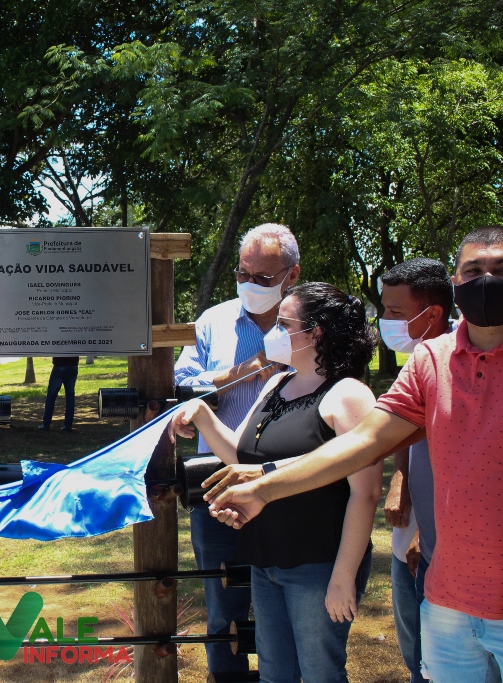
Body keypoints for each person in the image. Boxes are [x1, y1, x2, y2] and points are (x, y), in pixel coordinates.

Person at [210, 226, 503, 683]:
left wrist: (264, 484)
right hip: (448, 602)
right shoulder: (431, 360)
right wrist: (265, 487)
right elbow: (365, 443)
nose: (487, 281)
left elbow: (363, 474)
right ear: (456, 282)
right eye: (473, 270)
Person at [171, 282, 382, 682]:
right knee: (274, 674)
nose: (273, 333)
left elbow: (366, 492)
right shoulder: (275, 383)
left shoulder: (349, 395)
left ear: (315, 332)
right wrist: (202, 414)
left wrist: (343, 576)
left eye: (284, 324)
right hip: (265, 559)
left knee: (320, 674)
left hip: (318, 564)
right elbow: (241, 457)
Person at [172, 222, 300, 680]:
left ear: (292, 275)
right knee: (222, 607)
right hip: (218, 485)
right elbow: (183, 385)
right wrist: (245, 370)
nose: (250, 284)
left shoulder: (310, 323)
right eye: (243, 274)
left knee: (289, 604)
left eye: (263, 277)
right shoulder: (213, 321)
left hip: (292, 486)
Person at [378, 258, 455, 683]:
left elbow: (464, 459)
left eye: (395, 312)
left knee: (436, 656)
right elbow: (399, 432)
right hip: (412, 526)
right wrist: (400, 479)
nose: (385, 320)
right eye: (383, 309)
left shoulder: (459, 361)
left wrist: (430, 529)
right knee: (412, 647)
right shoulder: (416, 358)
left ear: (432, 314)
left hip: (442, 537)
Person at [40, 356, 79, 431]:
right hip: (73, 366)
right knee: (70, 396)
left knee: (51, 395)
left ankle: (46, 424)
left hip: (60, 365)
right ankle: (68, 425)